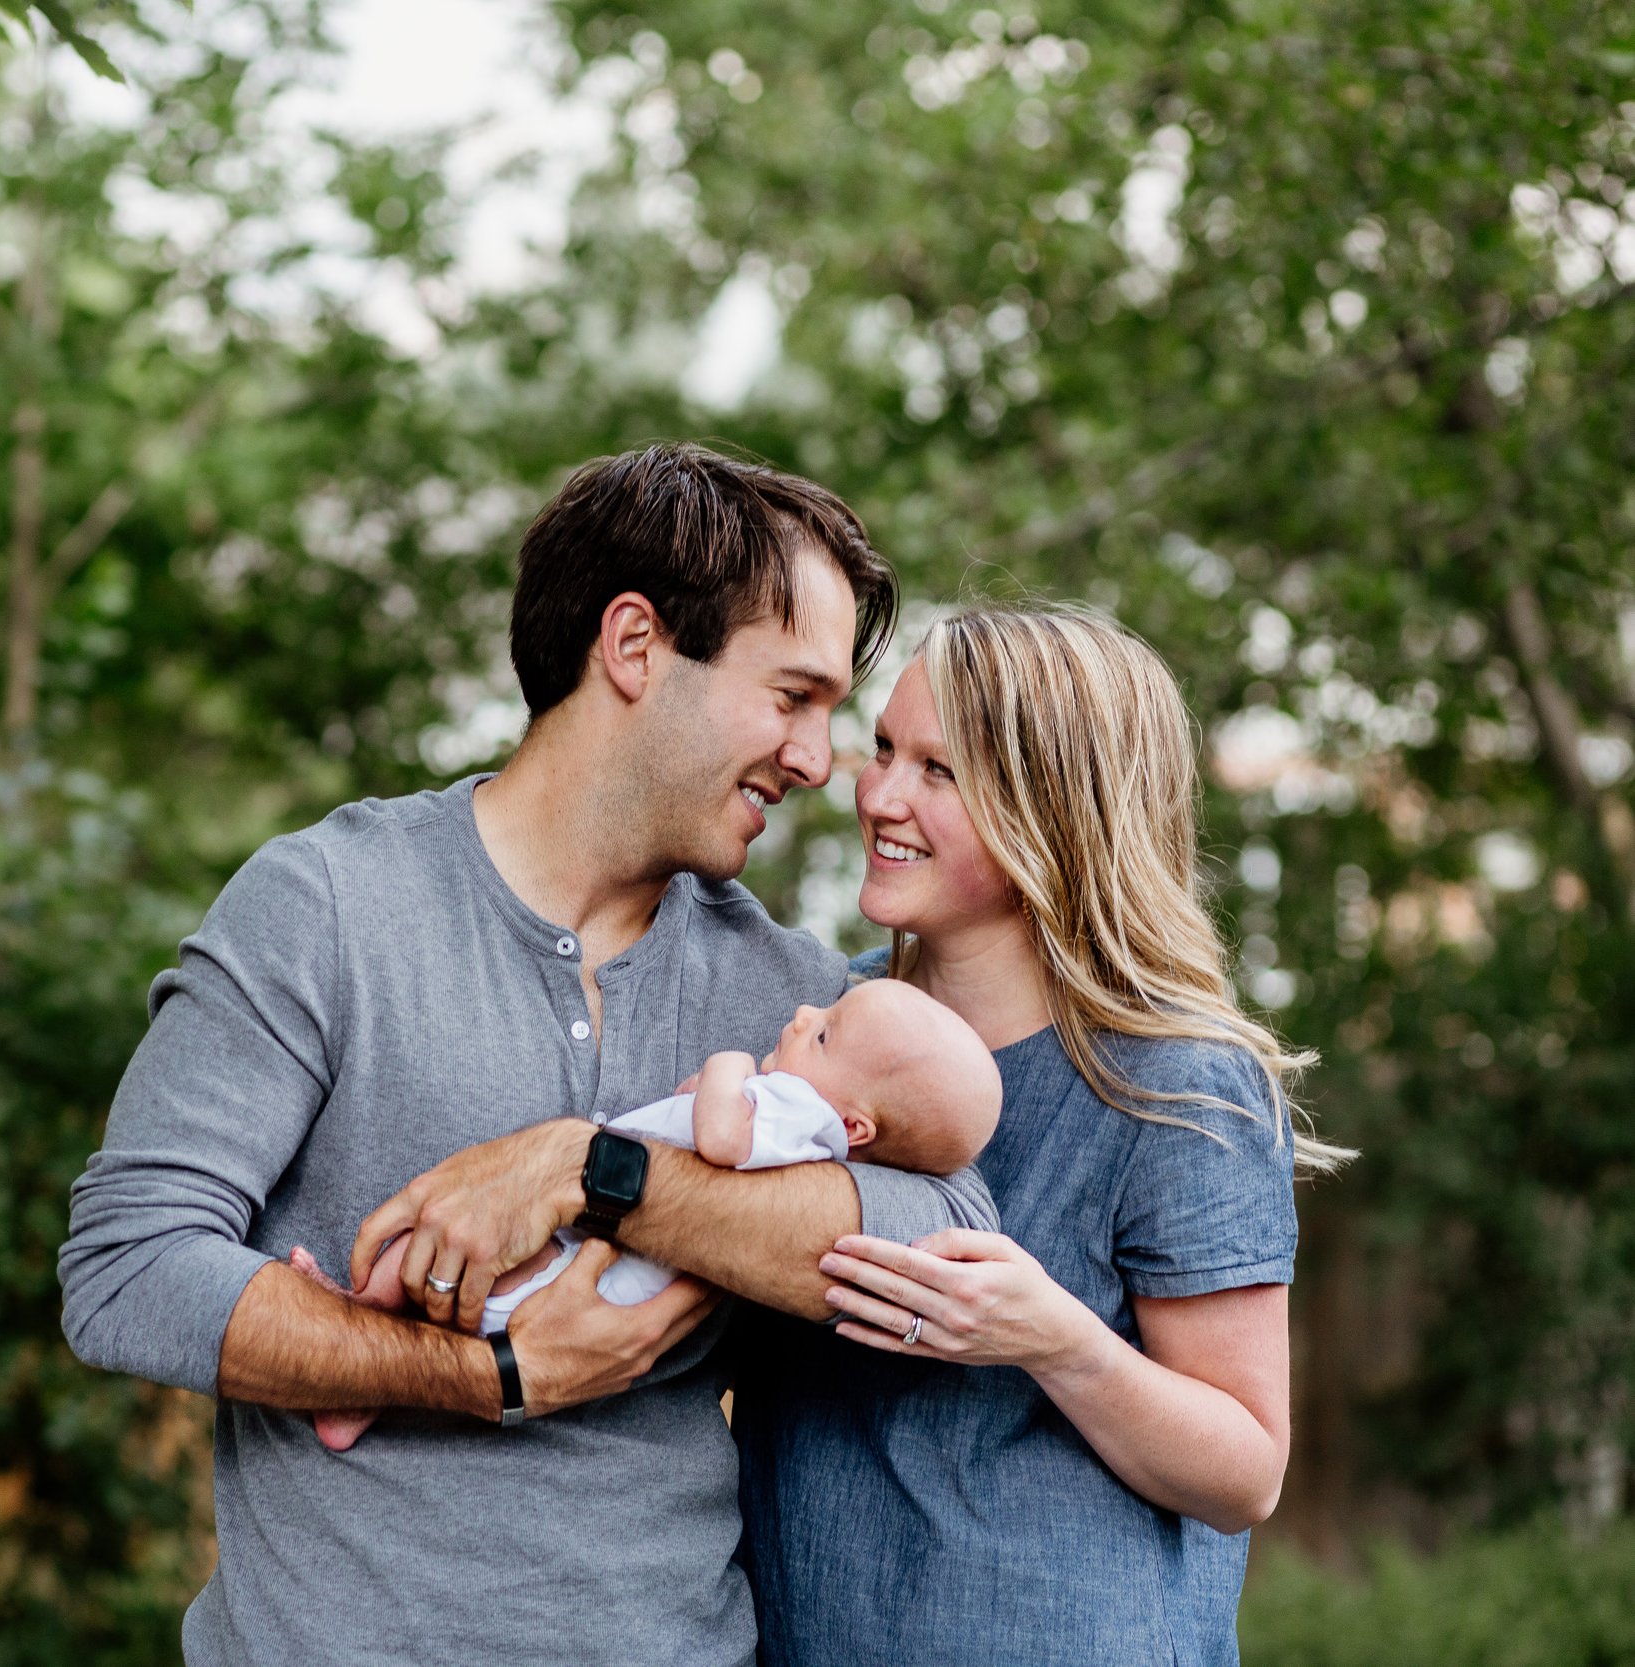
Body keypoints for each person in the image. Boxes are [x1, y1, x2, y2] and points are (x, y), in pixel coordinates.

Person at [56, 443, 997, 1667]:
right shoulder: (329, 905)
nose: (819, 762)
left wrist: (592, 1169)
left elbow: (949, 1235)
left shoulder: (791, 999)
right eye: (791, 696)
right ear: (634, 644)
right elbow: (127, 1270)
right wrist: (491, 1370)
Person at [361, 600, 1348, 1666]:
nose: (876, 793)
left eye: (940, 770)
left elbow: (1244, 1469)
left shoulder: (1175, 1081)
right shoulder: (816, 1030)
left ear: (1053, 808)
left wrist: (1050, 1337)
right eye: (884, 748)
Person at [300, 977, 1001, 1450]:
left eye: (824, 1035)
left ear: (856, 1129)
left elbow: (723, 1138)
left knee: (429, 1249)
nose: (801, 1016)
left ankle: (357, 1334)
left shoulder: (802, 1112)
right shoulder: (810, 1126)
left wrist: (728, 1069)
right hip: (593, 1269)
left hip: (581, 1273)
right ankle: (361, 1380)